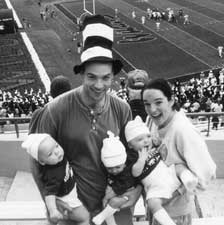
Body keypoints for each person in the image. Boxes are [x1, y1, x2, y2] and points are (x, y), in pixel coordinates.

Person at [29, 14, 142, 225]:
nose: (99, 85)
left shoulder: (122, 109)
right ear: (81, 74)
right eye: (92, 77)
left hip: (113, 209)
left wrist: (136, 191)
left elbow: (136, 154)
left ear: (114, 77)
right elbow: (37, 162)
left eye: (106, 77)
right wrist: (50, 202)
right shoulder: (55, 110)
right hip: (72, 213)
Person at [142, 78, 216, 225]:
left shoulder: (183, 130)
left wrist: (173, 192)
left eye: (158, 102)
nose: (152, 109)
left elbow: (207, 173)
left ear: (171, 101)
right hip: (155, 209)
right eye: (147, 104)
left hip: (175, 215)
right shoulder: (153, 121)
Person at [125, 116, 198, 225]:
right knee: (152, 203)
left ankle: (188, 180)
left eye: (148, 136)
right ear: (130, 145)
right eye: (139, 139)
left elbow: (164, 141)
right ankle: (168, 223)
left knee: (178, 167)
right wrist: (141, 160)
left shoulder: (154, 147)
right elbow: (135, 173)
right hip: (156, 188)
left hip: (170, 176)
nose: (146, 141)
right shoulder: (133, 158)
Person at [22, 133, 89, 224]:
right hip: (66, 198)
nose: (57, 152)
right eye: (50, 154)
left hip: (71, 188)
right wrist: (53, 210)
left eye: (56, 146)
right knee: (84, 217)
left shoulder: (58, 158)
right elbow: (49, 193)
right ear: (42, 161)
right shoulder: (52, 174)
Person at [92, 131, 137, 225]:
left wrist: (107, 196)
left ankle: (101, 217)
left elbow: (123, 184)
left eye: (117, 167)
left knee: (114, 201)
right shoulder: (114, 170)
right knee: (108, 205)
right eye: (110, 168)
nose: (114, 171)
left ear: (124, 162)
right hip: (116, 195)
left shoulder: (127, 171)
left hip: (127, 193)